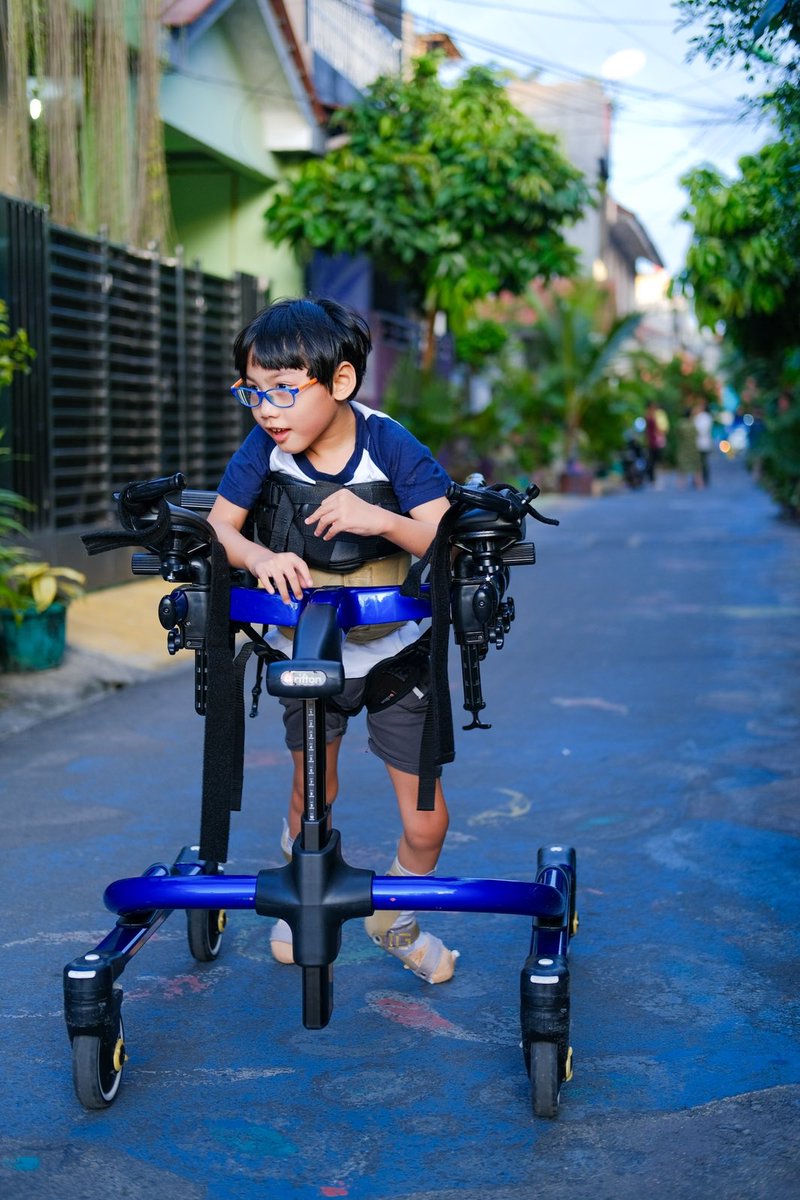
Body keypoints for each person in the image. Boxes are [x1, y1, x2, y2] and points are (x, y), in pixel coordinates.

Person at [208, 297, 458, 984]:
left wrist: (380, 519)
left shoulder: (389, 444)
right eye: (253, 392)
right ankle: (302, 898)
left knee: (428, 824)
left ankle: (394, 918)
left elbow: (446, 539)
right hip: (308, 653)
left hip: (396, 652)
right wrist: (258, 557)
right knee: (310, 798)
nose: (266, 410)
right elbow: (219, 528)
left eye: (284, 390)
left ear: (341, 381)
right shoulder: (264, 450)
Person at [675, 406, 704, 489]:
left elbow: (678, 435)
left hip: (683, 448)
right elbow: (698, 433)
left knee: (682, 467)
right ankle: (699, 484)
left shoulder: (681, 424)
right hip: (693, 448)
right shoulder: (693, 424)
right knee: (697, 467)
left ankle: (681, 484)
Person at [644, 400, 669, 486]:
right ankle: (653, 478)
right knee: (653, 460)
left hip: (655, 441)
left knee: (655, 460)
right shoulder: (649, 416)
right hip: (653, 440)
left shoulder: (655, 415)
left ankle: (655, 478)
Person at [693, 401, 714, 487]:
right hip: (702, 443)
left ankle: (701, 479)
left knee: (702, 462)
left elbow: (701, 430)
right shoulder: (703, 417)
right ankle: (700, 479)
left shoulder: (704, 417)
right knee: (701, 462)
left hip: (701, 442)